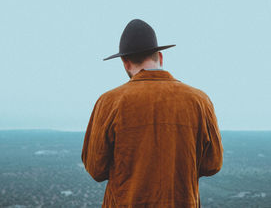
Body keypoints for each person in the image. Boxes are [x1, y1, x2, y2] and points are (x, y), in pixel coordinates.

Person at [81, 19, 223, 207]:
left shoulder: (109, 102)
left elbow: (96, 169)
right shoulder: (199, 100)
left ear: (125, 62)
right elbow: (212, 164)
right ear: (160, 57)